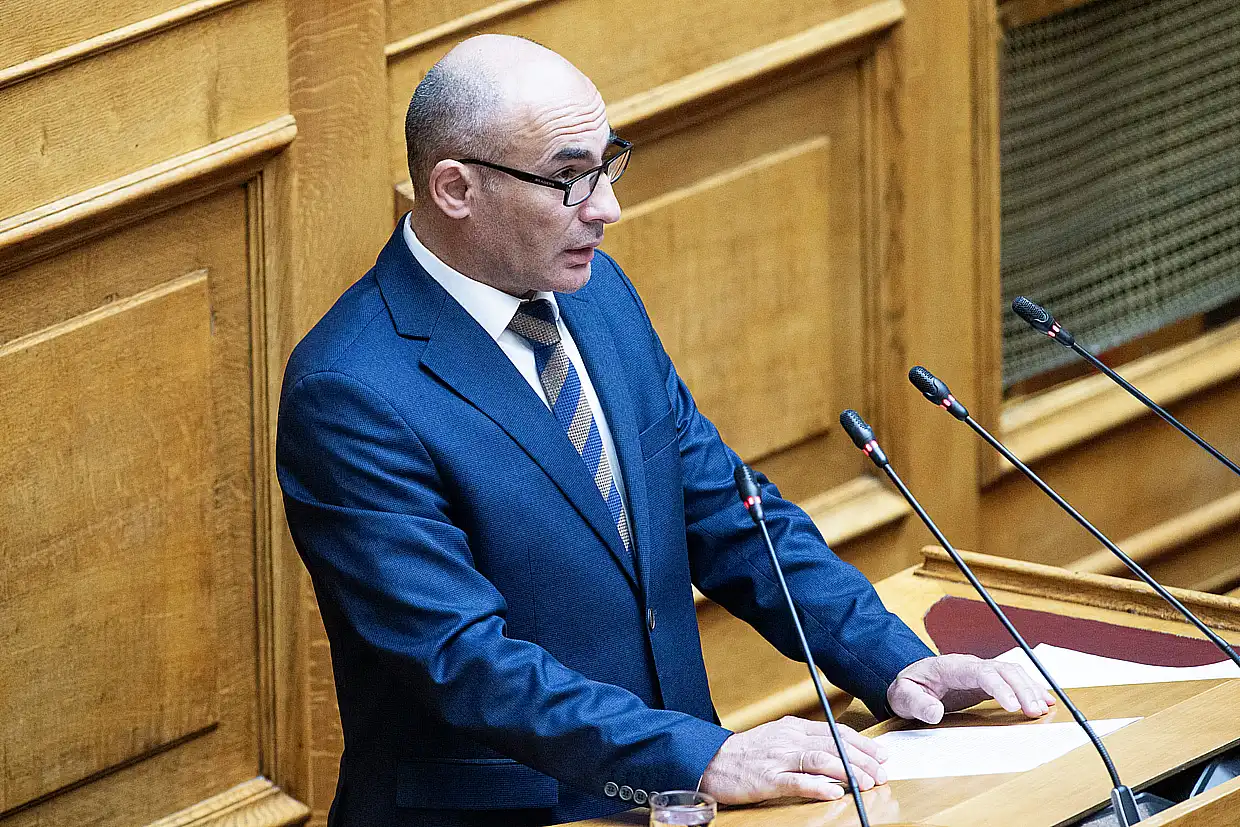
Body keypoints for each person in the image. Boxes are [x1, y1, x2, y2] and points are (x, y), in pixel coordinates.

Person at [276, 34, 1052, 827]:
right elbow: (464, 661)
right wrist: (700, 756)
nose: (606, 208)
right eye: (569, 179)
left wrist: (895, 662)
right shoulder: (350, 392)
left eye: (607, 165)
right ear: (455, 188)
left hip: (680, 806)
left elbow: (726, 512)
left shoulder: (594, 294)